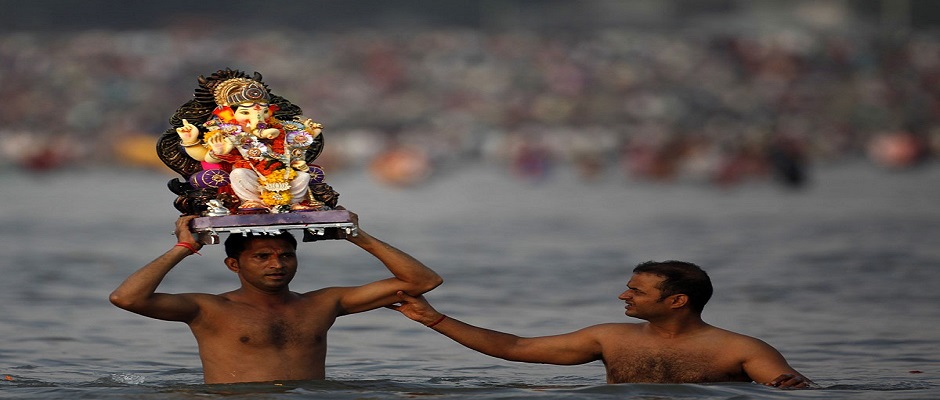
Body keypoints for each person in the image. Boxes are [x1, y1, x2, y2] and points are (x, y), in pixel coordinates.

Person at [110, 209, 442, 384]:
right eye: (262, 256)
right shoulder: (208, 308)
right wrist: (184, 247)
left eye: (285, 255)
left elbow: (423, 280)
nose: (277, 264)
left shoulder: (323, 303)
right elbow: (127, 298)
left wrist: (357, 235)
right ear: (233, 264)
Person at [389, 260, 813, 389]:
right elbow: (515, 347)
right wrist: (434, 319)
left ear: (677, 301)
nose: (623, 296)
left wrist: (793, 384)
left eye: (636, 292)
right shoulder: (609, 337)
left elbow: (789, 387)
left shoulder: (739, 349)